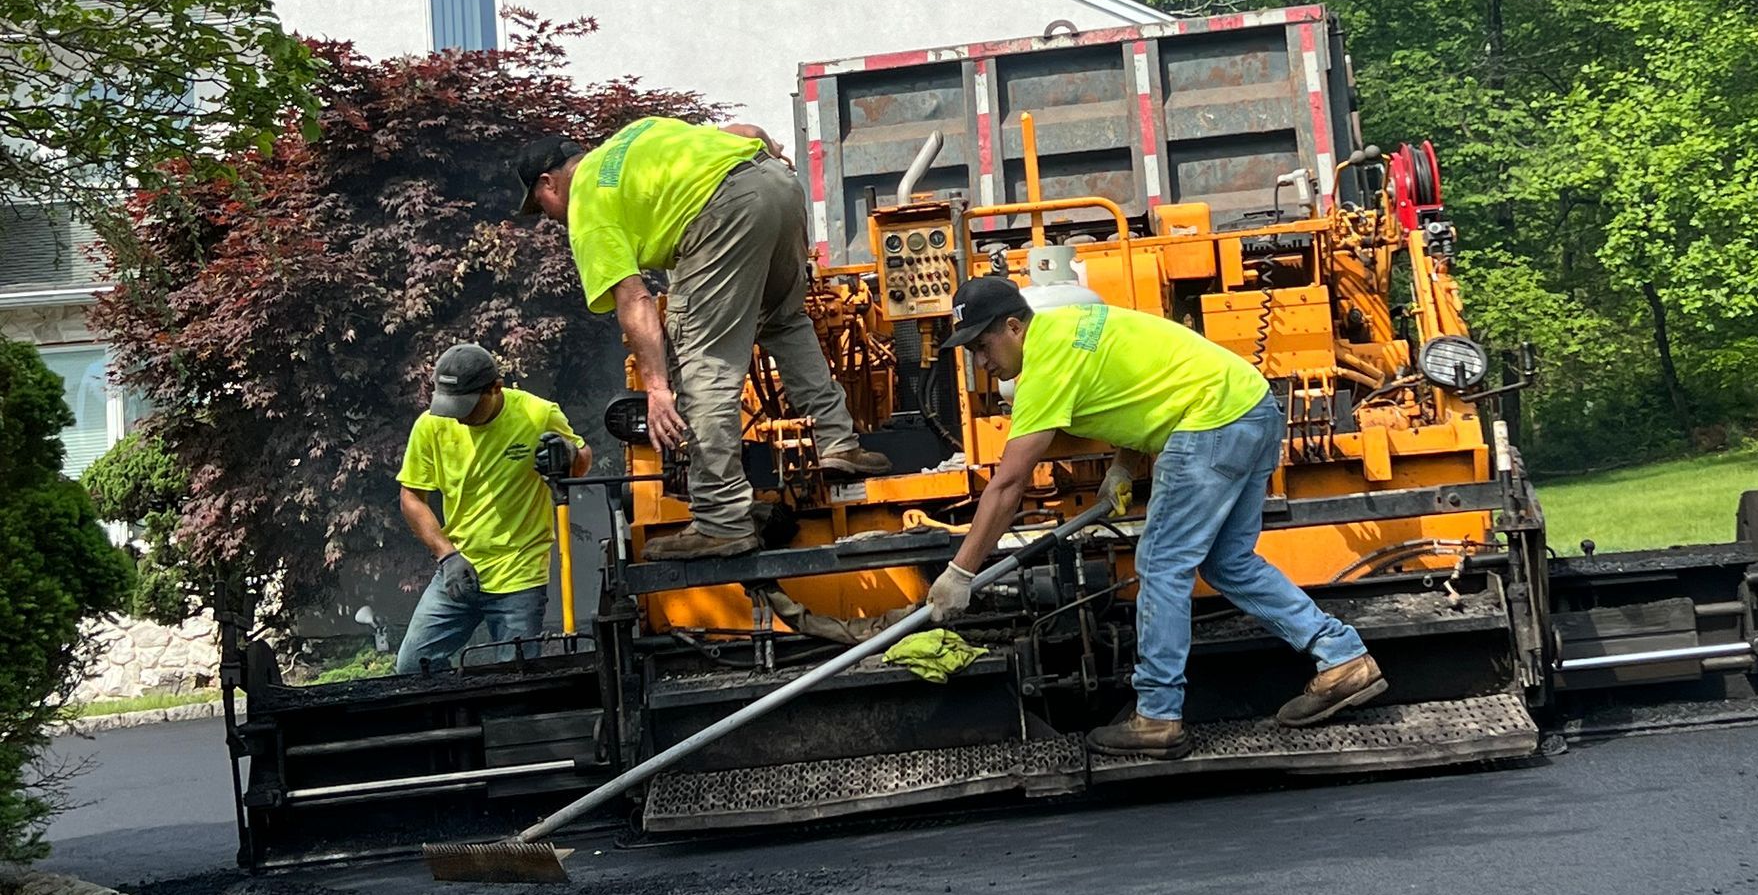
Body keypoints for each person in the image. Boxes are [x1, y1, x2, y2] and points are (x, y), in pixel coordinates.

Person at [923, 275, 1385, 756]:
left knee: (1162, 564)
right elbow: (1139, 387)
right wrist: (1122, 468)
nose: (980, 361)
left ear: (1014, 327)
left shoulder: (1044, 365)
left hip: (1211, 422)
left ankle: (1158, 717)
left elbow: (1008, 485)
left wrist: (961, 572)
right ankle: (1343, 658)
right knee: (1228, 562)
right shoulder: (1071, 324)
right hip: (1253, 407)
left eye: (982, 345)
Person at [515, 118, 889, 560]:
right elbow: (748, 132)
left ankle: (721, 520)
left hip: (722, 212)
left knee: (705, 362)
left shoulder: (587, 206)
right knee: (785, 323)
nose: (547, 217)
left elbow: (635, 300)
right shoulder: (639, 134)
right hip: (777, 185)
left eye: (540, 206)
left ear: (549, 182)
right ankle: (837, 442)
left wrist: (656, 388)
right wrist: (772, 152)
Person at [395, 342, 589, 676]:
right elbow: (411, 497)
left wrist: (569, 454)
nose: (459, 417)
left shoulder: (537, 413)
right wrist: (446, 554)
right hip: (457, 570)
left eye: (466, 407)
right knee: (413, 667)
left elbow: (583, 459)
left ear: (495, 389)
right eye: (450, 407)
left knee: (514, 678)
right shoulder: (431, 425)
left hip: (519, 575)